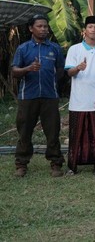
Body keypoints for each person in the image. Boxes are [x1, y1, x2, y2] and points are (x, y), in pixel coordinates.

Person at [12, 14, 65, 177]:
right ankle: (21, 164)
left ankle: (56, 164)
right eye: (39, 26)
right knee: (25, 131)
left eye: (45, 26)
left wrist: (53, 84)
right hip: (28, 96)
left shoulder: (55, 48)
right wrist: (28, 69)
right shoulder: (23, 48)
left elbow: (61, 71)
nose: (43, 29)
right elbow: (14, 71)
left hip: (50, 96)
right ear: (31, 29)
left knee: (53, 130)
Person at [65, 16, 95, 176]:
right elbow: (69, 72)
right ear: (84, 30)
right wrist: (78, 68)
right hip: (78, 100)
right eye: (90, 27)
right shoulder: (74, 49)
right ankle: (72, 166)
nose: (93, 30)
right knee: (76, 134)